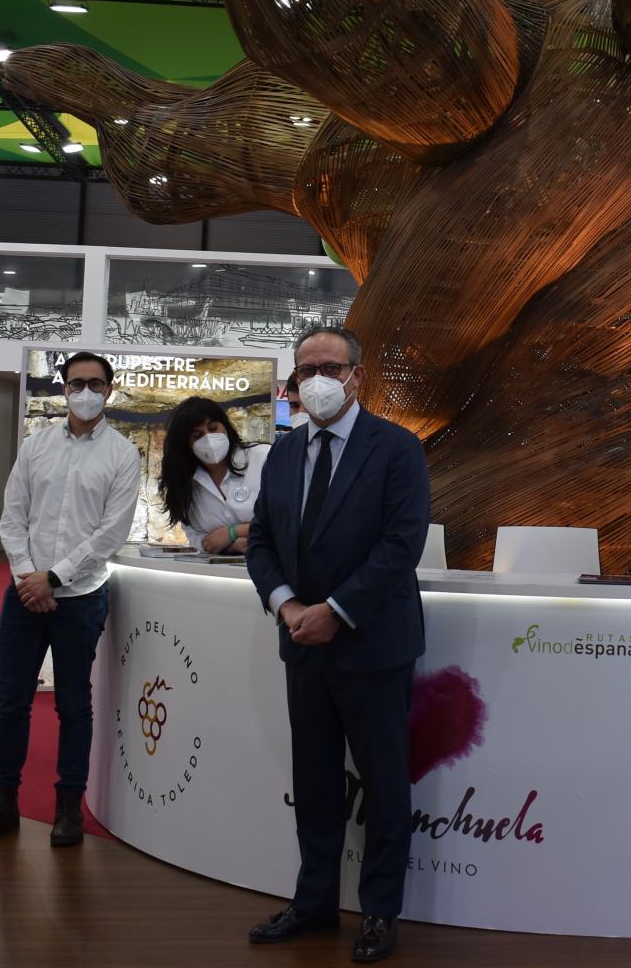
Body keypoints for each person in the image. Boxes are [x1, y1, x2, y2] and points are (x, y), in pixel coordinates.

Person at [245, 325, 430, 964]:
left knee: (382, 782)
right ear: (293, 382)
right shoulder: (285, 452)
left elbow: (400, 547)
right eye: (305, 370)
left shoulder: (398, 448)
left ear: (357, 374)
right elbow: (262, 544)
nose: (317, 380)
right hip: (302, 643)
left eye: (331, 366)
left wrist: (337, 610)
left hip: (372, 645)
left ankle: (379, 911)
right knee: (315, 780)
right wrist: (289, 605)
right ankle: (314, 901)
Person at [0, 352, 141, 847]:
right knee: (11, 703)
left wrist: (54, 578)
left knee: (73, 705)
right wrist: (27, 576)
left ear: (110, 389)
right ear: (64, 389)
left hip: (80, 596)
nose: (87, 391)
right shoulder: (35, 446)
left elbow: (111, 534)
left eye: (96, 383)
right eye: (78, 383)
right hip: (23, 594)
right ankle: (1, 803)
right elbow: (11, 517)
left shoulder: (123, 455)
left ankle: (68, 808)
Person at [158, 396, 265, 554]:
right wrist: (230, 547)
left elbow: (286, 520)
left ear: (225, 426)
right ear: (186, 444)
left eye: (213, 428)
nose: (208, 438)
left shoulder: (263, 458)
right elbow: (195, 536)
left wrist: (234, 532)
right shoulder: (185, 483)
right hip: (220, 574)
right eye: (197, 435)